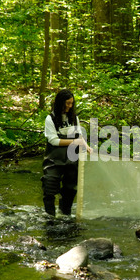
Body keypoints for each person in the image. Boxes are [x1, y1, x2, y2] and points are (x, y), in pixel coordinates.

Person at [41, 89, 91, 217]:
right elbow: (53, 141)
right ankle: (50, 216)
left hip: (72, 159)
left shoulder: (74, 118)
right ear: (60, 103)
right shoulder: (50, 118)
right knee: (49, 185)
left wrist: (86, 147)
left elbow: (80, 136)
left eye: (71, 103)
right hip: (54, 159)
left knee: (70, 188)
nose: (69, 106)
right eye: (67, 103)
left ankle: (65, 214)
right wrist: (75, 142)